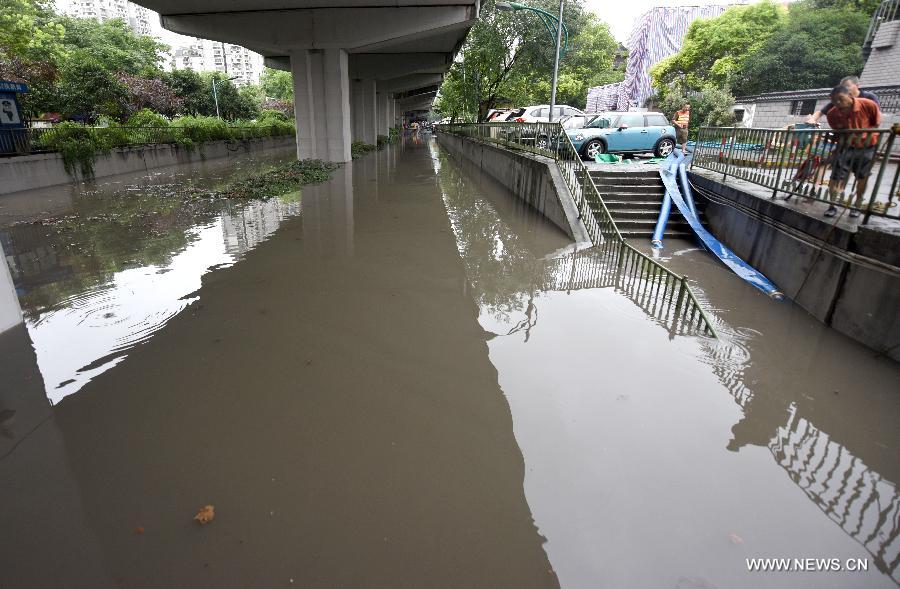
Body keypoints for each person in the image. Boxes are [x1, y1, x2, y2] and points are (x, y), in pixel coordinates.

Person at [823, 85, 881, 218]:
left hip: (867, 147)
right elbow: (837, 130)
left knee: (862, 177)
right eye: (834, 101)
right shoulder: (833, 113)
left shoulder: (868, 105)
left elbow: (876, 123)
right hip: (845, 148)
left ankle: (857, 206)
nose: (838, 103)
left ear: (850, 95)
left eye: (840, 99)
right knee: (836, 177)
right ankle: (832, 205)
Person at [807, 76, 879, 125]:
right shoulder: (839, 100)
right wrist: (812, 119)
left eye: (847, 86)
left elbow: (876, 116)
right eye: (843, 87)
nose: (845, 89)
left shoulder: (869, 98)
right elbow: (820, 112)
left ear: (857, 85)